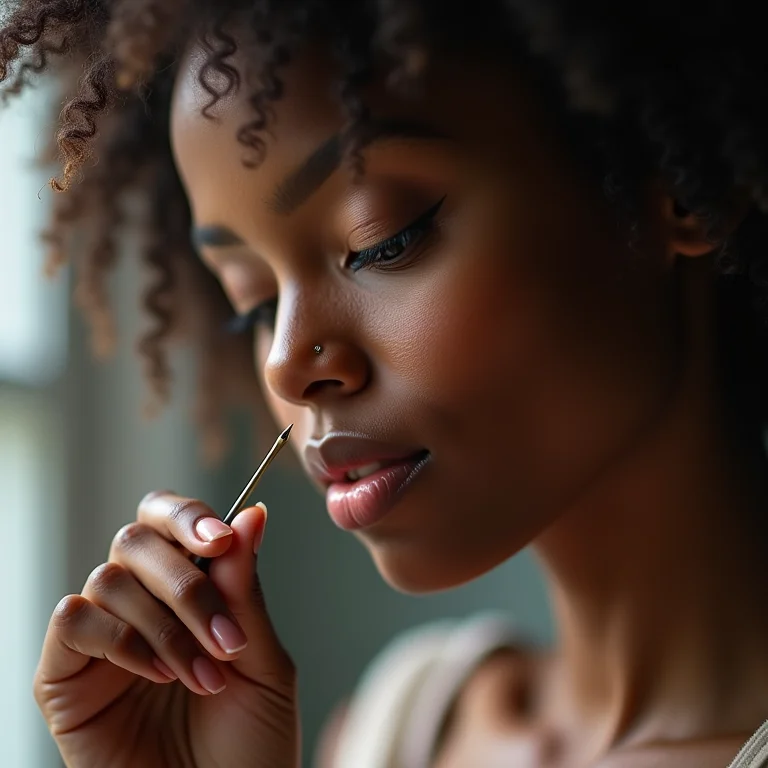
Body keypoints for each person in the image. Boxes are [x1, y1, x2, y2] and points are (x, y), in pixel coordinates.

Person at [5, 0, 768, 765]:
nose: (286, 363)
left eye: (383, 241)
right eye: (255, 304)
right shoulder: (399, 727)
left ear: (672, 178)